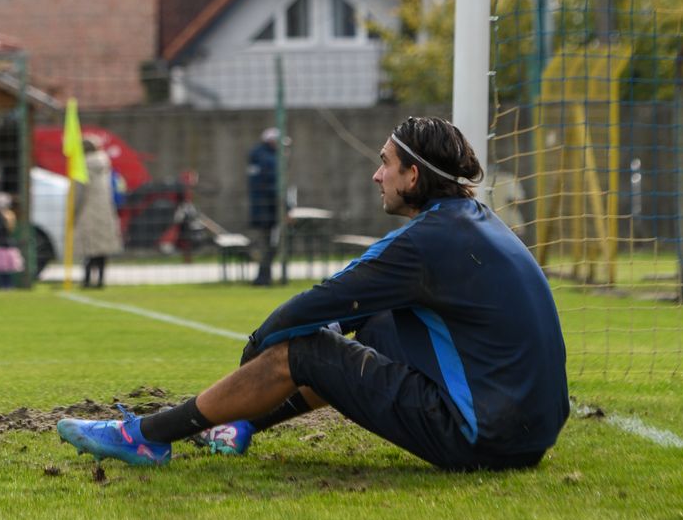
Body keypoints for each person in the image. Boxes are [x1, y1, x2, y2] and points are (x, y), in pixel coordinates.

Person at [58, 117, 570, 472]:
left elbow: (318, 302)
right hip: (533, 436)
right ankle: (240, 426)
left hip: (481, 438)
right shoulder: (480, 222)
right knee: (376, 327)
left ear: (413, 176)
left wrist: (259, 348)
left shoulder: (422, 243)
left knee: (306, 346)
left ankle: (147, 436)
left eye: (386, 163)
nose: (376, 174)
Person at [75, 138, 124, 288]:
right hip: (106, 210)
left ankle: (87, 280)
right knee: (102, 249)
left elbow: (79, 193)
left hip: (87, 211)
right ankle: (101, 280)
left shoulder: (82, 166)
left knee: (88, 249)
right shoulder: (105, 163)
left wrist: (73, 211)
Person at [246, 127, 281, 286]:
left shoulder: (256, 158)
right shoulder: (269, 160)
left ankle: (263, 277)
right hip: (270, 209)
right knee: (271, 245)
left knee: (266, 244)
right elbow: (274, 187)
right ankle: (263, 278)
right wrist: (286, 208)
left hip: (260, 209)